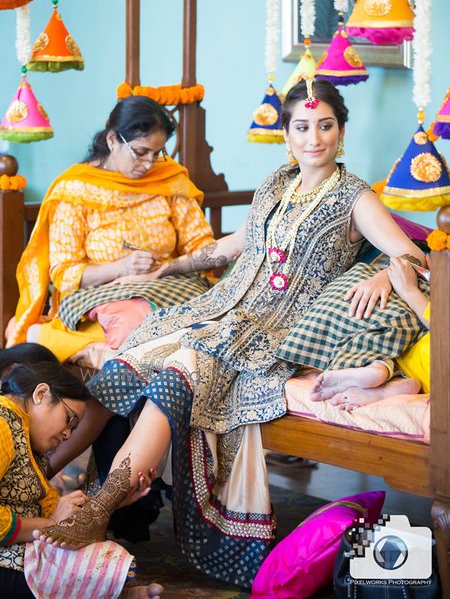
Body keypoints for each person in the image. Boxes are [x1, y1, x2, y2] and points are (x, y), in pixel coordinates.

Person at [35, 80, 426, 588]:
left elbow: (409, 252)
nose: (314, 139)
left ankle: (103, 502)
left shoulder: (355, 197)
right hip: (219, 306)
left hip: (271, 330)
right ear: (287, 133)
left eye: (325, 126)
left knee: (183, 367)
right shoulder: (274, 185)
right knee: (134, 356)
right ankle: (43, 476)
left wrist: (381, 275)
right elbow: (229, 247)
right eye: (302, 127)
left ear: (341, 131)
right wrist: (171, 267)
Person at [6, 96, 215, 362]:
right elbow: (63, 273)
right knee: (138, 327)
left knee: (219, 316)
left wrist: (162, 270)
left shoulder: (168, 179)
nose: (150, 163)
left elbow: (201, 245)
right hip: (103, 296)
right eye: (140, 152)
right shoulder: (75, 189)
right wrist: (122, 268)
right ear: (113, 139)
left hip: (169, 286)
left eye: (158, 152)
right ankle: (51, 337)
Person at [0, 352, 164, 598]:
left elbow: (56, 513)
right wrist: (49, 525)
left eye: (73, 428)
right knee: (90, 564)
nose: (67, 435)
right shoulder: (3, 424)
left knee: (98, 554)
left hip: (14, 549)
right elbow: (51, 521)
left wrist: (108, 503)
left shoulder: (26, 440)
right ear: (41, 394)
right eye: (69, 420)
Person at [311, 256, 431, 411]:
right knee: (388, 352)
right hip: (419, 367)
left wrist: (409, 290)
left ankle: (380, 372)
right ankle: (386, 378)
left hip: (427, 356)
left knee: (377, 341)